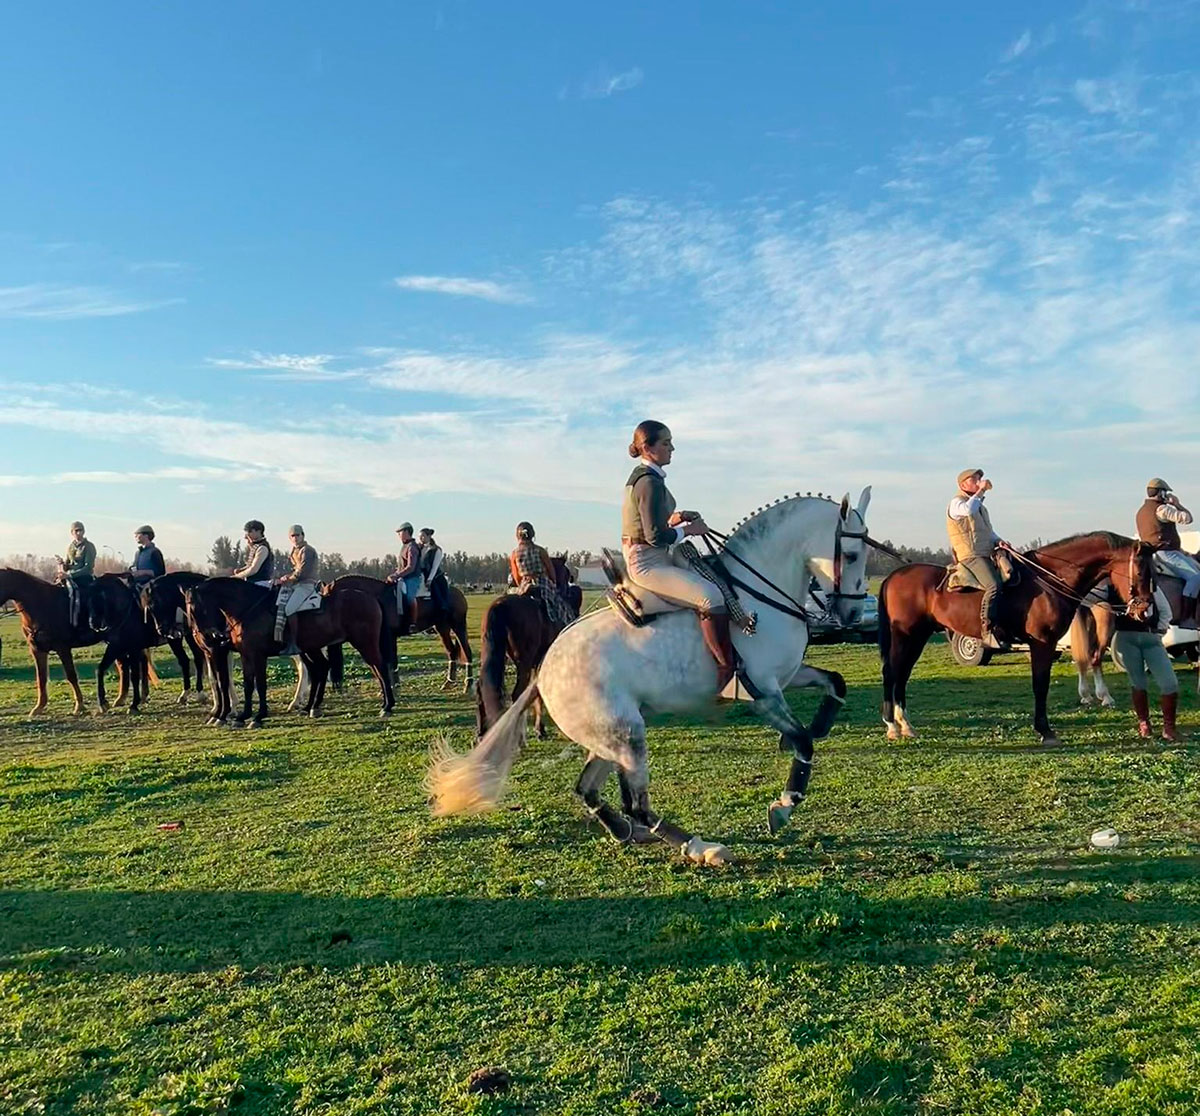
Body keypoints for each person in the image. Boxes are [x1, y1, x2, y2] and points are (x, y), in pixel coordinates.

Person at [620, 420, 735, 688]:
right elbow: (655, 537)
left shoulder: (646, 477)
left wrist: (678, 518)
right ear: (647, 448)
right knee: (711, 596)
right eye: (666, 443)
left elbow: (654, 523)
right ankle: (725, 672)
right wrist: (690, 530)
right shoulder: (649, 482)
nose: (672, 448)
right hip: (647, 562)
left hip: (654, 554)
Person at [947, 468, 1011, 646]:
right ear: (962, 485)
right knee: (993, 586)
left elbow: (987, 532)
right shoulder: (957, 503)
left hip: (985, 552)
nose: (978, 482)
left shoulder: (981, 508)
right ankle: (987, 629)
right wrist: (981, 491)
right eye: (974, 479)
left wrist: (999, 541)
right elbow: (968, 510)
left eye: (979, 479)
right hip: (971, 555)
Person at [1111, 585, 1182, 742]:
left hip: (1150, 637)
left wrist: (1159, 631)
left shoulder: (1151, 587)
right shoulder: (1113, 587)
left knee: (1170, 683)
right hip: (1126, 637)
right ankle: (1144, 723)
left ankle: (1169, 728)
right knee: (1138, 682)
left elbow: (1165, 610)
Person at [1137, 479, 1200, 629]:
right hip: (1167, 554)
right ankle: (1187, 618)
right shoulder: (1162, 509)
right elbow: (1187, 518)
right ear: (1161, 492)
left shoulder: (1141, 511)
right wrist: (1177, 504)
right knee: (1195, 577)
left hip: (1156, 553)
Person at [509, 522, 573, 628]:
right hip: (542, 583)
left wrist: (522, 584)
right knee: (562, 607)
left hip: (524, 584)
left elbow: (516, 577)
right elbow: (551, 570)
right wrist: (554, 583)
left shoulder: (514, 554)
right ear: (532, 535)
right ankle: (567, 625)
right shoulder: (540, 550)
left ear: (517, 536)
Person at [272, 524, 320, 654]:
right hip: (296, 584)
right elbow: (296, 570)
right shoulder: (294, 551)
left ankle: (294, 642)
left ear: (303, 535)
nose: (295, 538)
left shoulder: (307, 550)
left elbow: (303, 571)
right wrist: (286, 577)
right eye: (292, 536)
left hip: (306, 585)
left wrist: (289, 579)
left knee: (289, 608)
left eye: (297, 535)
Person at [56, 520, 97, 626]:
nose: (78, 533)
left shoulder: (88, 546)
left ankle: (83, 620)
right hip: (70, 577)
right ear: (72, 533)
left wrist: (70, 575)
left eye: (80, 530)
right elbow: (68, 564)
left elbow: (88, 567)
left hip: (84, 577)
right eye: (76, 531)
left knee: (80, 597)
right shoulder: (71, 547)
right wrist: (62, 564)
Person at [388, 523, 423, 632]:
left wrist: (397, 575)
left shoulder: (412, 547)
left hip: (412, 578)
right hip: (403, 578)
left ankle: (413, 623)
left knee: (409, 597)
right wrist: (394, 575)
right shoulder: (405, 546)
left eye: (400, 532)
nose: (398, 535)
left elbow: (410, 567)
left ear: (407, 532)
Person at [419, 528, 451, 615]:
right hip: (421, 574)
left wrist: (429, 579)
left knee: (435, 590)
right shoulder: (420, 548)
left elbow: (434, 567)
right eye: (420, 537)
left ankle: (442, 607)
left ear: (429, 536)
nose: (421, 538)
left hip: (434, 575)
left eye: (423, 536)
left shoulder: (436, 550)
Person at [232, 520, 274, 585]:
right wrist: (242, 570)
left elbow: (253, 569)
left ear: (259, 531)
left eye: (250, 531)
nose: (247, 535)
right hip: (253, 583)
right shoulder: (256, 547)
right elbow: (250, 565)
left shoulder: (262, 548)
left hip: (260, 583)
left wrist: (236, 577)